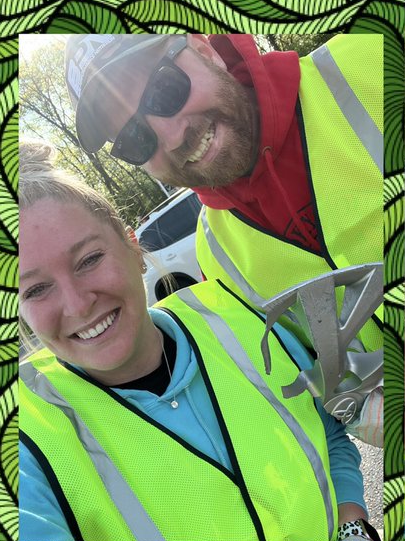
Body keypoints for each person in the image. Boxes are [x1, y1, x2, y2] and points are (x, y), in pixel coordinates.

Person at [17, 143, 375, 541]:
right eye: (36, 290)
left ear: (132, 246)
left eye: (88, 260)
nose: (78, 305)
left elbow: (324, 431)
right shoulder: (28, 432)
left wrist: (351, 522)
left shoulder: (236, 312)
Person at [61, 32, 383, 440]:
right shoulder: (217, 258)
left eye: (164, 89)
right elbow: (318, 376)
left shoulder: (364, 63)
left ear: (204, 48)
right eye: (134, 139)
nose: (172, 136)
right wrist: (363, 415)